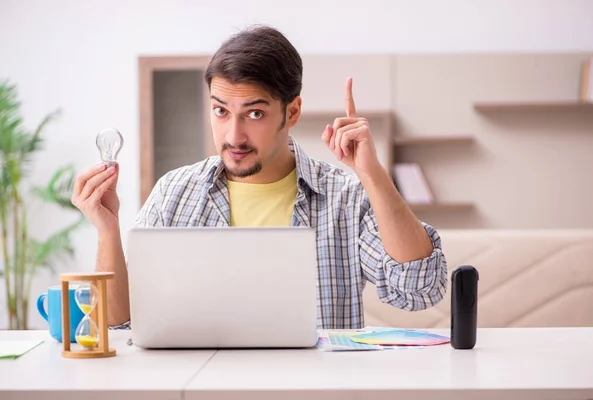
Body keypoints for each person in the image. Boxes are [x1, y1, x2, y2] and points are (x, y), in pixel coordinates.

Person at [71, 25, 447, 330]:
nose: (233, 136)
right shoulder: (174, 191)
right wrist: (107, 229)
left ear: (293, 111)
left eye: (254, 114)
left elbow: (418, 290)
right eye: (221, 111)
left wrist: (373, 175)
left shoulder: (344, 196)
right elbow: (119, 324)